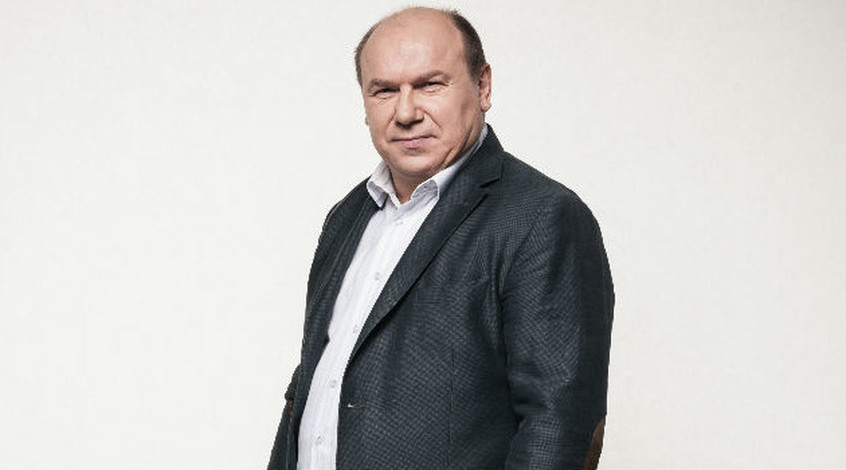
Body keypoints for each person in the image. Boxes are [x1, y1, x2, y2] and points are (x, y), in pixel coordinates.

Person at [268, 7, 614, 470]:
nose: (406, 112)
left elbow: (559, 426)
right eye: (384, 90)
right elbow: (315, 387)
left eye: (430, 85)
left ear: (483, 86)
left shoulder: (541, 217)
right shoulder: (346, 217)